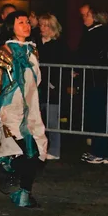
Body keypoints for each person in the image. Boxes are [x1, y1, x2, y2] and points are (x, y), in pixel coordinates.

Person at [0, 11, 47, 208]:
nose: (26, 25)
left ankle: (18, 185)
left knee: (34, 152)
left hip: (31, 110)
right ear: (11, 27)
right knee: (27, 151)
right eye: (21, 22)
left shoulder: (32, 51)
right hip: (11, 109)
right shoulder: (4, 52)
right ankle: (21, 190)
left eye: (27, 22)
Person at [76, 4, 108, 164]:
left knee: (97, 117)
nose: (84, 19)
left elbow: (85, 56)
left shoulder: (93, 34)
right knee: (107, 117)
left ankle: (99, 152)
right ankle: (106, 152)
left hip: (95, 81)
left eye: (86, 15)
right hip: (106, 81)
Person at [37, 13, 68, 160]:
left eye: (46, 25)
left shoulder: (58, 45)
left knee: (52, 120)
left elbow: (61, 65)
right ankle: (39, 147)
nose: (42, 28)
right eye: (41, 25)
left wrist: (53, 84)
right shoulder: (36, 42)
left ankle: (55, 150)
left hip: (51, 87)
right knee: (37, 118)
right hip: (37, 85)